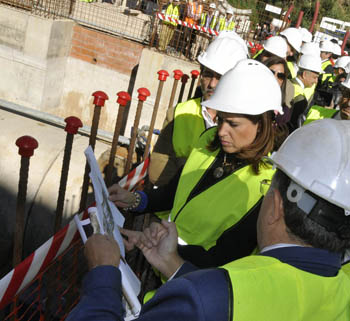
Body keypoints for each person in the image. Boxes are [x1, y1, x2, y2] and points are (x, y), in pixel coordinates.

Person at [67, 119, 350, 321]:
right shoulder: (343, 294)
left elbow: (223, 297)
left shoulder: (208, 297)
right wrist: (171, 263)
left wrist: (103, 275)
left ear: (275, 205)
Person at [110, 60, 285, 270]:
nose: (221, 131)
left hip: (192, 286)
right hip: (160, 263)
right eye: (220, 120)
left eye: (233, 124)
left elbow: (223, 259)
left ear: (262, 124)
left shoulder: (264, 187)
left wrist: (159, 248)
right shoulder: (209, 140)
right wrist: (135, 200)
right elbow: (173, 193)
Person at [148, 34, 247, 186]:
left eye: (220, 77)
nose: (212, 84)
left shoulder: (245, 126)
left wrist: (183, 164)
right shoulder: (179, 113)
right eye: (208, 75)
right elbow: (157, 173)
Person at [288, 54, 322, 131]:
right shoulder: (300, 99)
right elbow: (293, 126)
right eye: (315, 77)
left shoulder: (287, 83)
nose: (316, 82)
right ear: (304, 74)